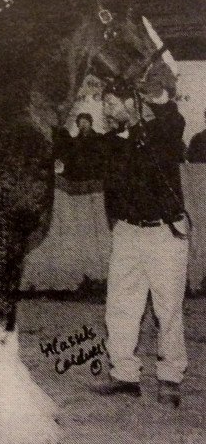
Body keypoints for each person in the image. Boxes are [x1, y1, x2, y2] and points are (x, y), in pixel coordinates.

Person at [90, 66, 188, 408]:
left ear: (132, 104)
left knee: (168, 308)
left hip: (166, 231)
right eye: (104, 103)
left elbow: (175, 121)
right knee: (120, 306)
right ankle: (125, 375)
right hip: (128, 232)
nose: (107, 109)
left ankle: (170, 377)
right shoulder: (109, 144)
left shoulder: (160, 131)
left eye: (112, 102)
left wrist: (157, 96)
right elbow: (78, 164)